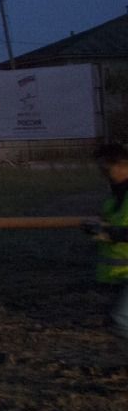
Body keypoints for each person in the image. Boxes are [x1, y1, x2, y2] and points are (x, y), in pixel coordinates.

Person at [84, 144, 128, 343]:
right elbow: (109, 228)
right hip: (121, 274)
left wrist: (115, 233)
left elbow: (117, 232)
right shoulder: (113, 200)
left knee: (120, 320)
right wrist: (98, 230)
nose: (103, 173)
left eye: (106, 168)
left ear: (123, 165)